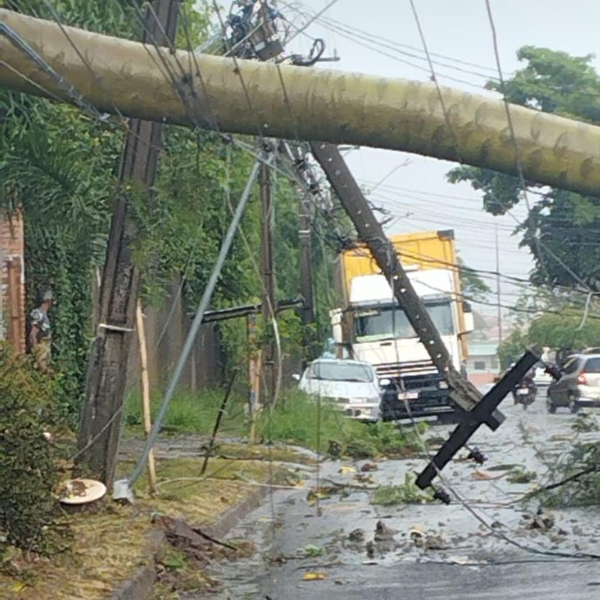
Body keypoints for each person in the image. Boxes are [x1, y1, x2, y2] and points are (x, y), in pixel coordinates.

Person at [29, 288, 53, 374]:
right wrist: (36, 353)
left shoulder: (44, 315)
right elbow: (32, 335)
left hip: (45, 352)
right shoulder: (39, 314)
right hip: (40, 352)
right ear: (48, 301)